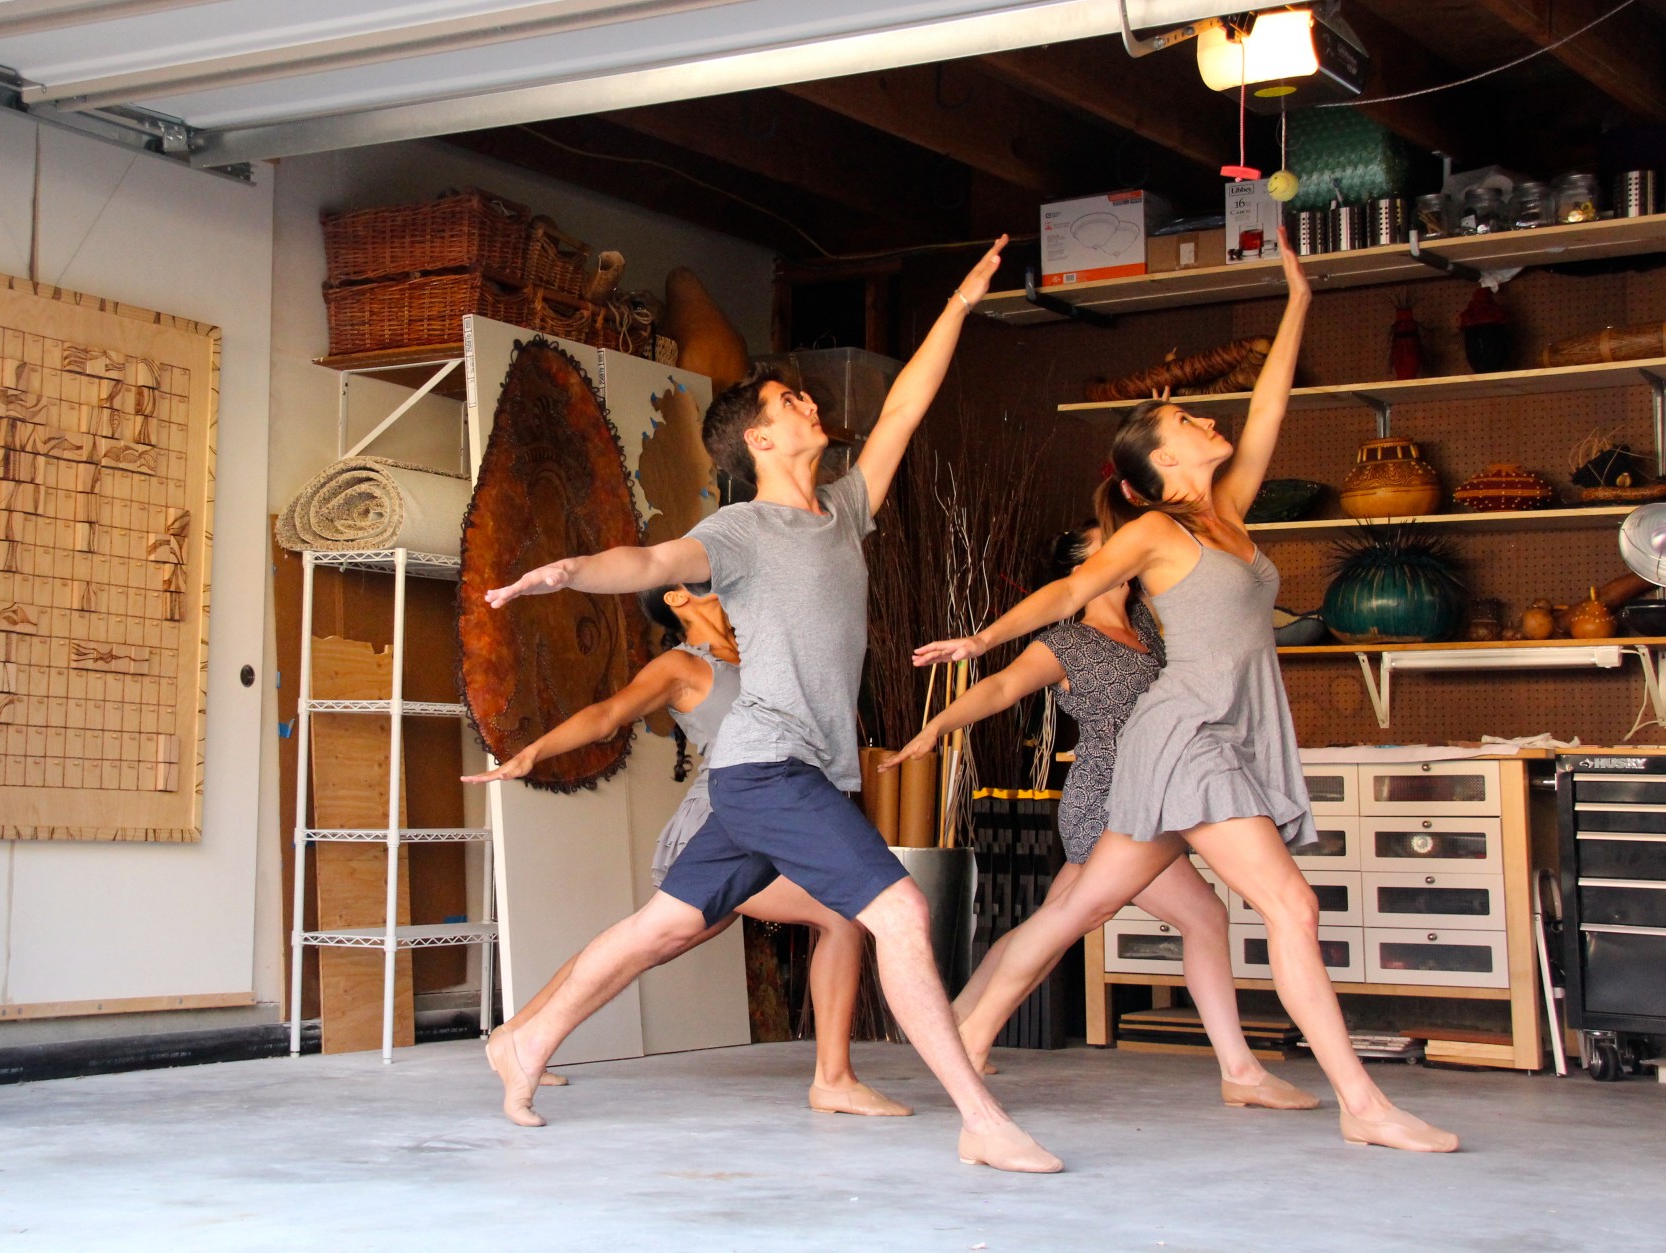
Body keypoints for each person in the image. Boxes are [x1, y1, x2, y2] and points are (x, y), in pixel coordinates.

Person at [482, 235, 1062, 1173]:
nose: (808, 404)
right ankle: (980, 1118)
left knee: (665, 927)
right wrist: (569, 571)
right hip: (769, 766)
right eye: (790, 402)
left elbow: (905, 408)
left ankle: (526, 1038)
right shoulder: (740, 529)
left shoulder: (844, 509)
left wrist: (957, 305)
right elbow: (654, 560)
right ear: (757, 438)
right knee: (900, 912)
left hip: (791, 772)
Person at [912, 227, 1457, 1153]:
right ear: (1160, 464)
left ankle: (960, 1039)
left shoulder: (1228, 513)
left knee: (1076, 909)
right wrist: (982, 638)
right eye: (1190, 424)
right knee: (1292, 906)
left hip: (1217, 735)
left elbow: (1272, 402)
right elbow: (1068, 593)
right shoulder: (1156, 533)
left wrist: (1299, 300)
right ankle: (1364, 1105)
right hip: (1188, 738)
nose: (1210, 423)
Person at [887, 522, 1317, 1111]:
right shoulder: (1067, 642)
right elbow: (1003, 688)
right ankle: (1238, 1069)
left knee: (1058, 920)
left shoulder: (1148, 626)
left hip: (1161, 790)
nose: (1122, 550)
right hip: (1109, 799)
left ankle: (962, 1023)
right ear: (1082, 568)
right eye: (1105, 545)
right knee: (1191, 917)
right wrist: (936, 727)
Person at [466, 585, 909, 1119]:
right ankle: (833, 1080)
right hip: (722, 822)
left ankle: (514, 1037)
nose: (728, 576)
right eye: (709, 572)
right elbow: (607, 715)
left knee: (645, 942)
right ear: (677, 600)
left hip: (775, 817)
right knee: (838, 917)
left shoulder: (756, 651)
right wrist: (533, 752)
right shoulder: (681, 667)